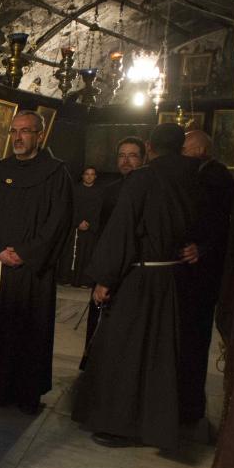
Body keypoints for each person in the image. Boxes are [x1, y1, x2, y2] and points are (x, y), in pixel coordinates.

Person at [72, 123, 198, 450]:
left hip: (140, 279)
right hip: (173, 277)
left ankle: (120, 424)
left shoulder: (144, 179)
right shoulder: (196, 176)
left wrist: (104, 278)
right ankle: (157, 424)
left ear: (150, 147)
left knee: (124, 352)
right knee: (160, 356)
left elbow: (123, 231)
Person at [0, 110, 73, 414]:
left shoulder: (56, 173)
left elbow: (59, 220)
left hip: (34, 270)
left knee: (31, 328)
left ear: (40, 136)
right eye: (14, 131)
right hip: (1, 265)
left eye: (25, 131)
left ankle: (26, 392)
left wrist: (27, 252)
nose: (18, 137)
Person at [175, 130, 234, 424]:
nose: (180, 153)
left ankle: (188, 408)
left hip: (201, 273)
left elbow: (222, 222)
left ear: (199, 149)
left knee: (193, 341)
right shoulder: (201, 173)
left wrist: (203, 247)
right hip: (188, 269)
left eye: (184, 148)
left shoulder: (216, 177)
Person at [79, 137, 146, 370]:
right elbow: (104, 232)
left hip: (133, 269)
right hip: (108, 262)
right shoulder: (110, 191)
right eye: (121, 155)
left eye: (132, 155)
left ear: (143, 157)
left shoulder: (147, 188)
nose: (126, 161)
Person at [58, 166, 102, 286]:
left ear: (95, 177)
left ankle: (84, 281)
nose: (89, 176)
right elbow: (70, 208)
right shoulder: (75, 190)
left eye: (92, 174)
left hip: (90, 229)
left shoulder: (100, 191)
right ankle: (67, 279)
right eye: (87, 174)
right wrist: (78, 222)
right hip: (74, 228)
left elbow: (99, 211)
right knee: (69, 254)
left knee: (87, 255)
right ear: (82, 176)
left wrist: (89, 224)